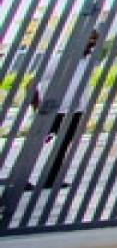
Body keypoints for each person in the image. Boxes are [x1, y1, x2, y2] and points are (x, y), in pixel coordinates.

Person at [27, 28, 99, 190]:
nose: (92, 43)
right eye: (89, 39)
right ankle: (21, 179)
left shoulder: (90, 61)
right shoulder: (58, 60)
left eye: (94, 40)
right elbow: (32, 83)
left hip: (75, 112)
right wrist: (37, 108)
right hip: (53, 112)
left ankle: (51, 179)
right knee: (34, 145)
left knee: (62, 146)